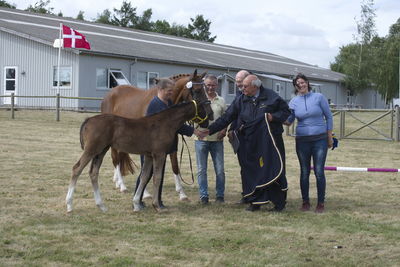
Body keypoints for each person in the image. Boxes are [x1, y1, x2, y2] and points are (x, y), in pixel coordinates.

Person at [205, 74, 290, 212]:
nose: (242, 88)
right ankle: (255, 202)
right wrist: (209, 130)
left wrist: (273, 117)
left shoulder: (271, 96)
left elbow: (286, 112)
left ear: (255, 86)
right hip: (250, 142)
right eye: (242, 86)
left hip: (270, 141)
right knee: (252, 171)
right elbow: (227, 117)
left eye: (245, 86)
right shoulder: (241, 100)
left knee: (272, 168)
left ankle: (279, 203)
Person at [135, 78, 203, 209]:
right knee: (146, 172)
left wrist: (194, 131)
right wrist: (192, 131)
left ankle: (158, 200)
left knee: (159, 172)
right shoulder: (155, 104)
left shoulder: (169, 103)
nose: (171, 93)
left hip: (162, 146)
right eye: (169, 91)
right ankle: (138, 199)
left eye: (172, 91)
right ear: (160, 90)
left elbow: (175, 124)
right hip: (150, 146)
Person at [285, 73, 333, 213]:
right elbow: (289, 121)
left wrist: (329, 137)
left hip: (320, 140)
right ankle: (305, 202)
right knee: (304, 172)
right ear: (295, 87)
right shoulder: (293, 102)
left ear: (307, 82)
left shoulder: (319, 97)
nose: (301, 85)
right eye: (298, 84)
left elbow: (329, 117)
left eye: (302, 82)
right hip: (302, 141)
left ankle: (320, 203)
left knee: (319, 171)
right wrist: (274, 117)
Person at [194, 75, 227, 204]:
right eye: (208, 85)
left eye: (213, 85)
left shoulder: (221, 100)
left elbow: (226, 118)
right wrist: (195, 131)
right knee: (202, 170)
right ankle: (204, 196)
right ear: (204, 85)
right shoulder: (198, 100)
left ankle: (220, 195)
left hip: (217, 140)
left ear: (216, 85)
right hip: (201, 139)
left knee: (219, 169)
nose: (210, 87)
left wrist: (224, 130)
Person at [227, 70, 250, 204]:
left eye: (240, 81)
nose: (237, 84)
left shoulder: (255, 95)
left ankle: (257, 193)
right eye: (236, 81)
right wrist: (230, 129)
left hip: (253, 137)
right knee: (244, 167)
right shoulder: (238, 95)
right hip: (240, 137)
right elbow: (234, 115)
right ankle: (246, 193)